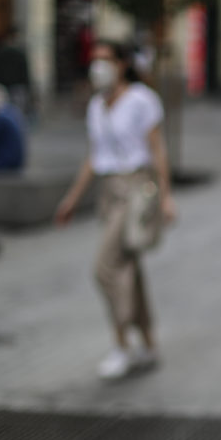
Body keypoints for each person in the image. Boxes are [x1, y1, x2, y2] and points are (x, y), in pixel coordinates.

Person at [55, 41, 176, 379]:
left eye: (106, 59)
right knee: (129, 270)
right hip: (109, 191)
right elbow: (94, 157)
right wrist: (72, 199)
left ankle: (121, 344)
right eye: (94, 60)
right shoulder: (96, 105)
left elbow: (158, 149)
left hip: (136, 189)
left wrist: (166, 196)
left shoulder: (141, 99)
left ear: (122, 64)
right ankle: (149, 342)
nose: (99, 66)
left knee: (105, 268)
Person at [0, 26, 33, 120]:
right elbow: (25, 72)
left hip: (2, 86)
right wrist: (28, 87)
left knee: (4, 112)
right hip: (17, 87)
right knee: (17, 114)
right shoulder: (19, 52)